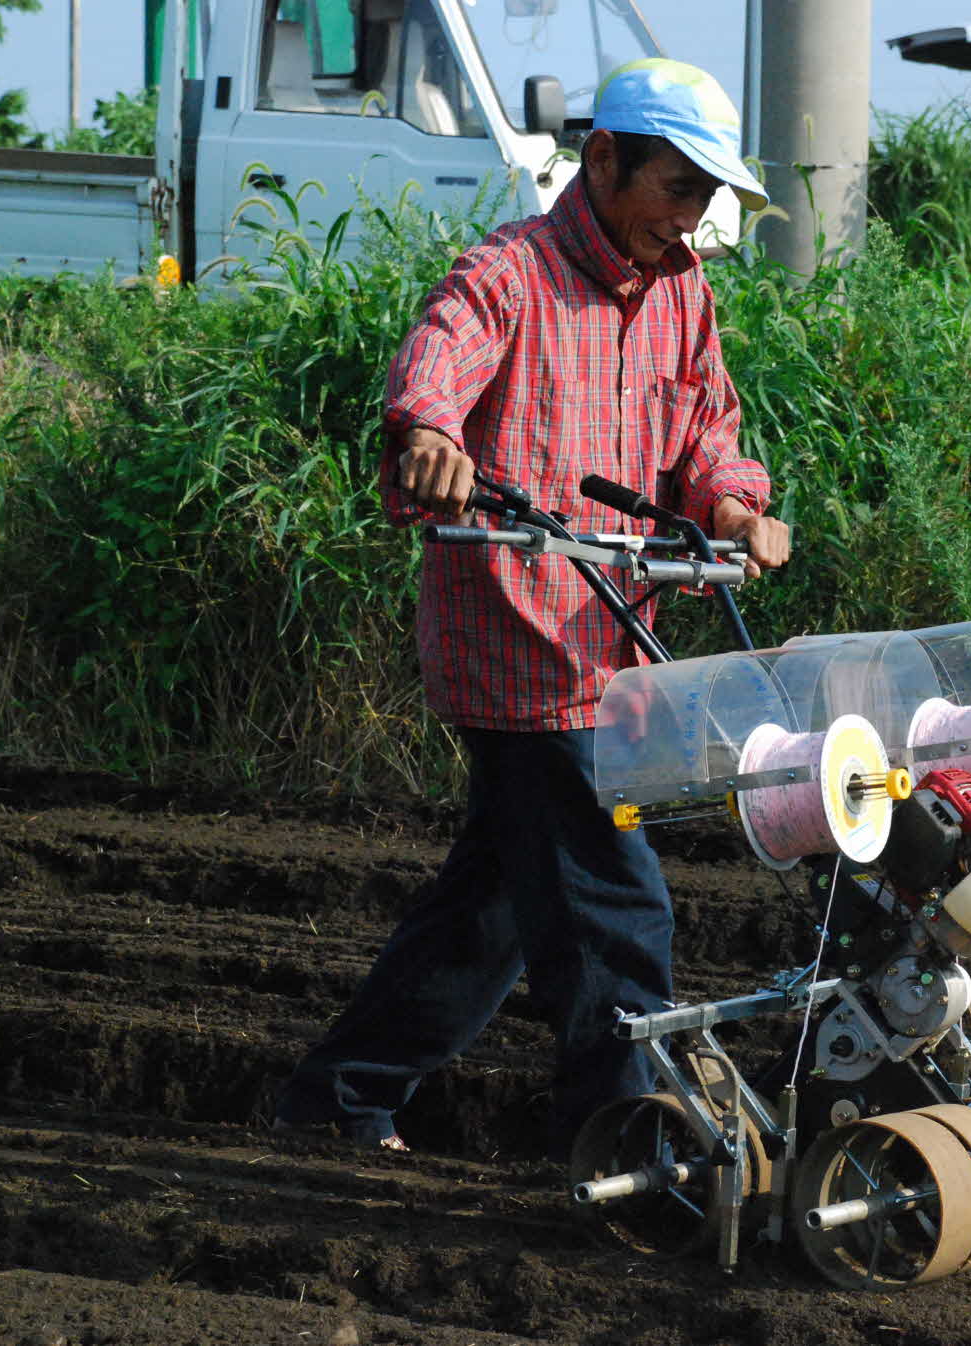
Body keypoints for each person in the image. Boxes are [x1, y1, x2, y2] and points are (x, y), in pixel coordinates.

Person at [273, 58, 791, 1160]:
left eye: (706, 197)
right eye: (677, 188)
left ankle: (339, 1095)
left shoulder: (683, 294)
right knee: (616, 911)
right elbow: (437, 365)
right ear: (603, 159)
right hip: (516, 641)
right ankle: (627, 1150)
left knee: (493, 911)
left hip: (612, 638)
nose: (691, 218)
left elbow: (708, 430)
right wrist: (429, 436)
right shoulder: (508, 271)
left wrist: (738, 507)